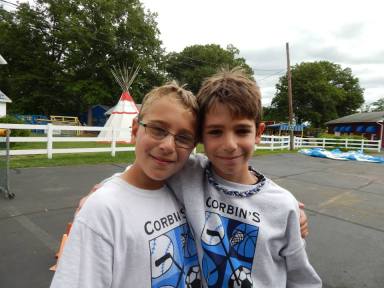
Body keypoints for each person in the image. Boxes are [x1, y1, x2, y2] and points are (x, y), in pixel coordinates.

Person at [166, 68, 321, 287]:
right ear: (201, 135)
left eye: (241, 131)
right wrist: (111, 188)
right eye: (215, 132)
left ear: (258, 132)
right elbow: (148, 169)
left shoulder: (283, 206)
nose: (229, 145)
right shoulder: (188, 173)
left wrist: (293, 212)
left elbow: (301, 279)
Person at [50, 82, 202, 288]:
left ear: (193, 146)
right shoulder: (102, 210)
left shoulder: (182, 189)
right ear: (135, 130)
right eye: (157, 129)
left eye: (183, 138)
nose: (167, 146)